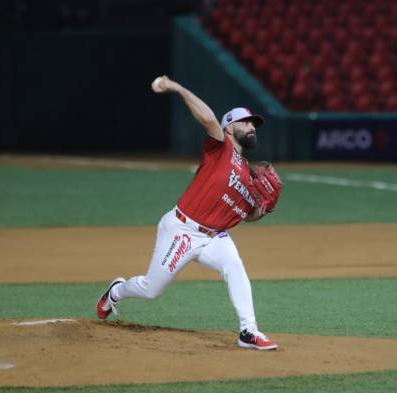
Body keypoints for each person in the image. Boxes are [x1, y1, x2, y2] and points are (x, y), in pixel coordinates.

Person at [96, 75, 280, 350]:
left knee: (235, 266)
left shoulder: (248, 175)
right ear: (229, 127)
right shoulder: (221, 147)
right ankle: (116, 291)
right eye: (246, 122)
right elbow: (207, 119)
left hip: (215, 237)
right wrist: (176, 87)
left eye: (255, 124)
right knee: (151, 289)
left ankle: (248, 331)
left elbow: (246, 215)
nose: (252, 127)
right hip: (182, 229)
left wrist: (262, 210)